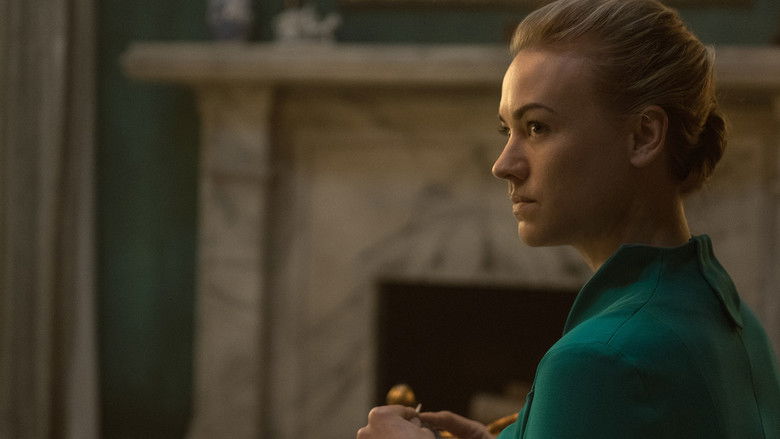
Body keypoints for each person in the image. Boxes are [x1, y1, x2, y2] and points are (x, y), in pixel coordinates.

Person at [356, 0, 780, 438]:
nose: (503, 165)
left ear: (644, 136)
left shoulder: (599, 359)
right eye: (507, 130)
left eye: (537, 127)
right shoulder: (733, 319)